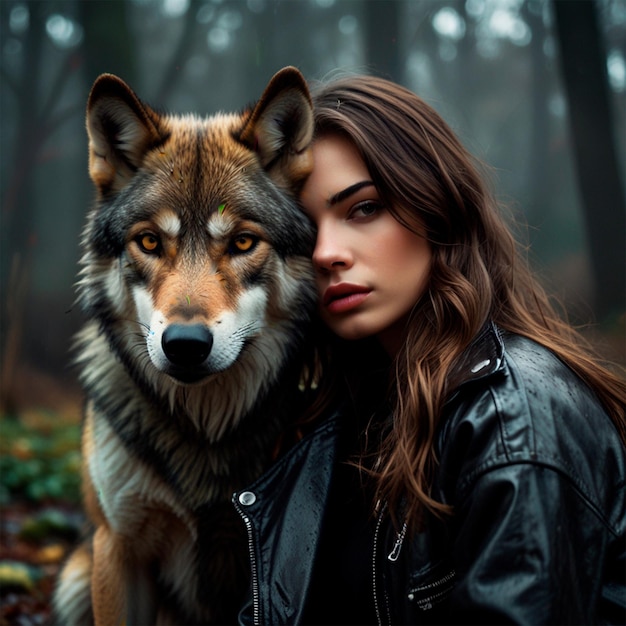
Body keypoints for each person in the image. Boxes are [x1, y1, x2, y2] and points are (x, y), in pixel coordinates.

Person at [233, 73, 626, 625]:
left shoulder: (514, 419)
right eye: (303, 225)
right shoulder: (342, 418)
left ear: (434, 203)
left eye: (363, 208)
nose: (326, 253)